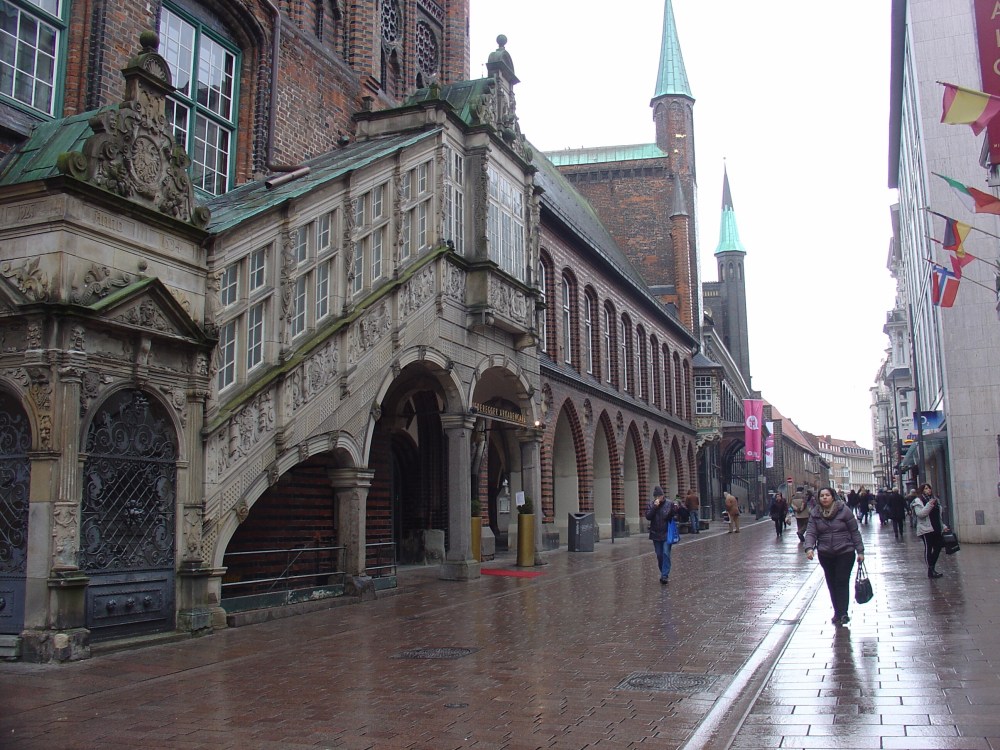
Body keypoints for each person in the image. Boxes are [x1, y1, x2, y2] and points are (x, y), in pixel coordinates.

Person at [804, 486, 865, 626]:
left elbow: (854, 531)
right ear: (818, 498)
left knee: (841, 581)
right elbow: (811, 532)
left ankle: (843, 613)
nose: (824, 498)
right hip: (826, 554)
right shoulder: (815, 513)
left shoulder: (844, 511)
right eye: (822, 496)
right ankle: (837, 612)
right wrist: (809, 548)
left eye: (827, 495)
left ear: (833, 497)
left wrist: (860, 551)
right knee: (831, 583)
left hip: (845, 551)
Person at [912, 483, 946, 578]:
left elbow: (938, 516)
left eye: (929, 488)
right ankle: (931, 570)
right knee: (929, 548)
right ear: (922, 490)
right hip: (926, 529)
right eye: (926, 488)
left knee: (938, 547)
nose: (928, 490)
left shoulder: (935, 500)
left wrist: (943, 526)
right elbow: (921, 514)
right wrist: (929, 505)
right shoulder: (918, 501)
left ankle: (932, 567)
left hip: (936, 527)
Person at [645, 486, 677, 584]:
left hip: (666, 533)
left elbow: (674, 515)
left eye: (660, 496)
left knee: (666, 553)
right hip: (655, 533)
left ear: (663, 495)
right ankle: (663, 571)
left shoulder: (669, 504)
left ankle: (664, 575)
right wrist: (655, 507)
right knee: (659, 555)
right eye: (656, 496)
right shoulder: (651, 505)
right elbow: (648, 516)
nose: (658, 498)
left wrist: (675, 509)